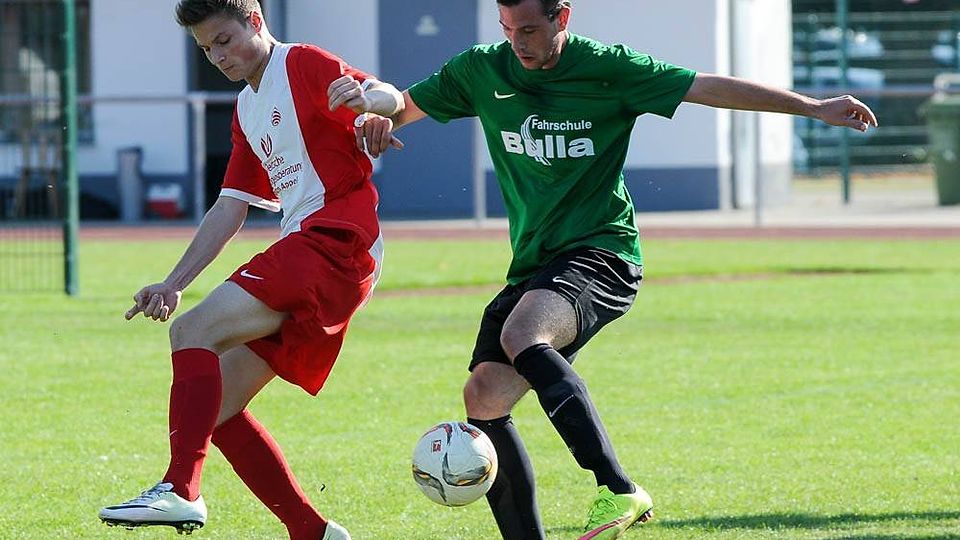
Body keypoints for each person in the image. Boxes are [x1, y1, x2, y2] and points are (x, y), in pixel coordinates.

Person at [353, 1, 878, 539]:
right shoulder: (481, 69)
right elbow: (403, 108)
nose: (518, 42)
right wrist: (376, 120)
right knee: (484, 396)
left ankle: (617, 488)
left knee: (522, 335)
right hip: (534, 263)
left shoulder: (609, 68)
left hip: (602, 253)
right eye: (508, 29)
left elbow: (705, 87)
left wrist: (814, 107)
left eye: (530, 29)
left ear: (562, 17)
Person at [97, 1, 403, 539]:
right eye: (206, 49)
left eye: (224, 40)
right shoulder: (246, 108)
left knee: (192, 331)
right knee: (217, 408)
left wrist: (369, 102)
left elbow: (388, 96)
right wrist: (173, 283)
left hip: (335, 242)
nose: (218, 56)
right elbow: (230, 206)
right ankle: (313, 531)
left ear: (256, 22)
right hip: (319, 252)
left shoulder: (300, 63)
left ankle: (180, 490)